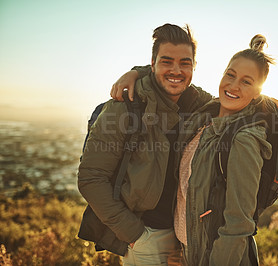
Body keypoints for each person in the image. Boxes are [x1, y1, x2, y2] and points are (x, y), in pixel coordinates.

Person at [112, 34, 274, 265]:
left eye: (246, 82)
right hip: (189, 253)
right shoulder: (204, 113)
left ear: (258, 91)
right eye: (230, 74)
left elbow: (238, 225)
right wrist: (135, 73)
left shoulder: (244, 140)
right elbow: (171, 75)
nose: (233, 86)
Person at [78, 23, 212, 265]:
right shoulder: (124, 107)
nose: (176, 70)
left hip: (187, 237)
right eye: (166, 61)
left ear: (194, 66)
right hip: (145, 237)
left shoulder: (199, 104)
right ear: (153, 65)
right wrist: (135, 235)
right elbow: (91, 178)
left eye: (185, 63)